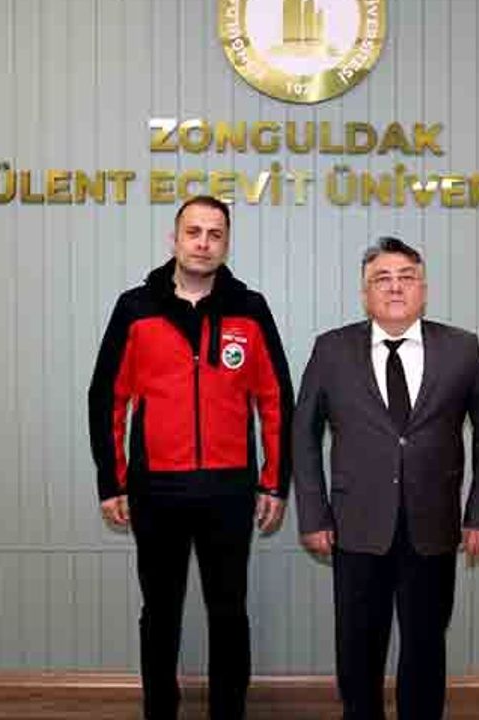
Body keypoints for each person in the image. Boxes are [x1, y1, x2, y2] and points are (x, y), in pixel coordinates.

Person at [88, 195, 294, 720]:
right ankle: (160, 710)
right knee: (160, 612)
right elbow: (107, 397)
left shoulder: (250, 309)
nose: (203, 243)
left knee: (228, 612)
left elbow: (275, 399)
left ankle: (228, 711)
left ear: (226, 244)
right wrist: (112, 481)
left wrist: (274, 481)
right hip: (156, 489)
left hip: (229, 490)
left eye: (215, 234)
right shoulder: (135, 308)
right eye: (194, 232)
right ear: (174, 239)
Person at [292, 236, 479, 720]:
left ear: (423, 290)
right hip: (355, 526)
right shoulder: (331, 350)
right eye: (381, 279)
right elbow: (303, 434)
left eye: (406, 278)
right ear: (365, 293)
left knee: (425, 644)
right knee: (357, 647)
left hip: (433, 527)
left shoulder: (462, 348)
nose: (395, 288)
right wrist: (313, 514)